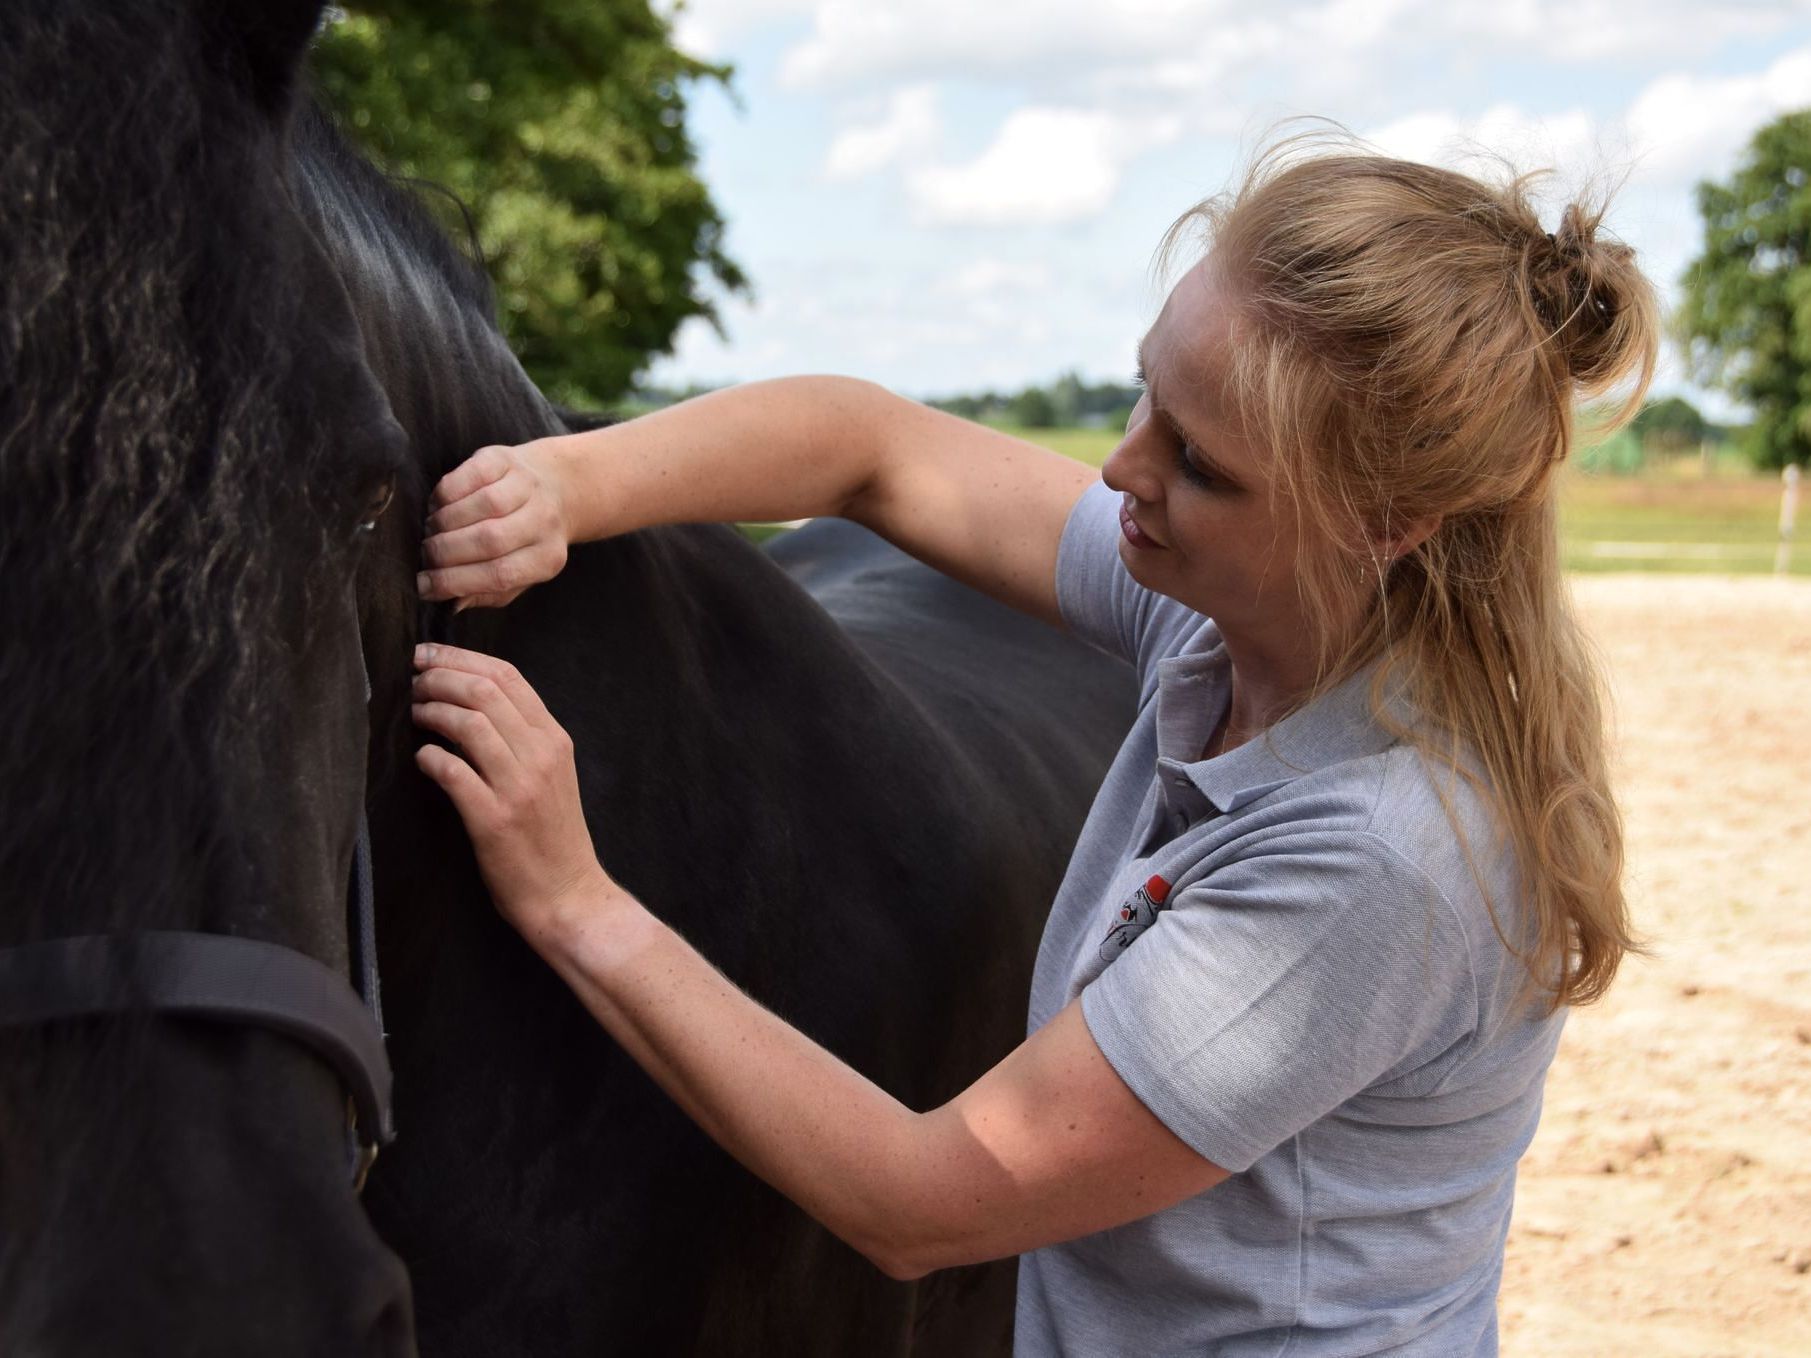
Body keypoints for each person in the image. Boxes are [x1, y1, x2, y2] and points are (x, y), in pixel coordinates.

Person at [406, 143, 1657, 1355]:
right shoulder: (1238, 622)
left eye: (1198, 462)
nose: (1121, 467)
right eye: (1145, 393)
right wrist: (563, 484)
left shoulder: (1377, 860)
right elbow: (872, 449)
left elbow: (921, 1198)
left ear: (1385, 521)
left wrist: (575, 902)